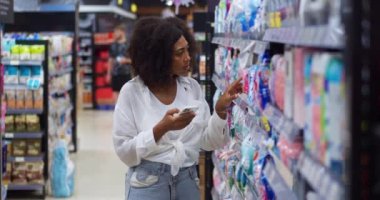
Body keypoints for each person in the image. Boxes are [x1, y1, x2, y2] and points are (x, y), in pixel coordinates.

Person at [113, 17, 242, 200]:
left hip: (187, 180)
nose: (188, 57)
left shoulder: (192, 88)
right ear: (159, 57)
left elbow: (206, 142)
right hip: (148, 184)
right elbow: (125, 152)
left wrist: (220, 111)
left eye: (188, 49)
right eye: (179, 53)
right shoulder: (132, 92)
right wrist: (162, 128)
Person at [107, 23, 132, 101]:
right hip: (115, 73)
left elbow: (135, 60)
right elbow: (110, 60)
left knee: (126, 94)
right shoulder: (113, 45)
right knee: (115, 92)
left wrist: (126, 60)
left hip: (126, 73)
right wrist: (108, 74)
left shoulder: (129, 45)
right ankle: (117, 111)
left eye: (116, 32)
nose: (115, 34)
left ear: (122, 32)